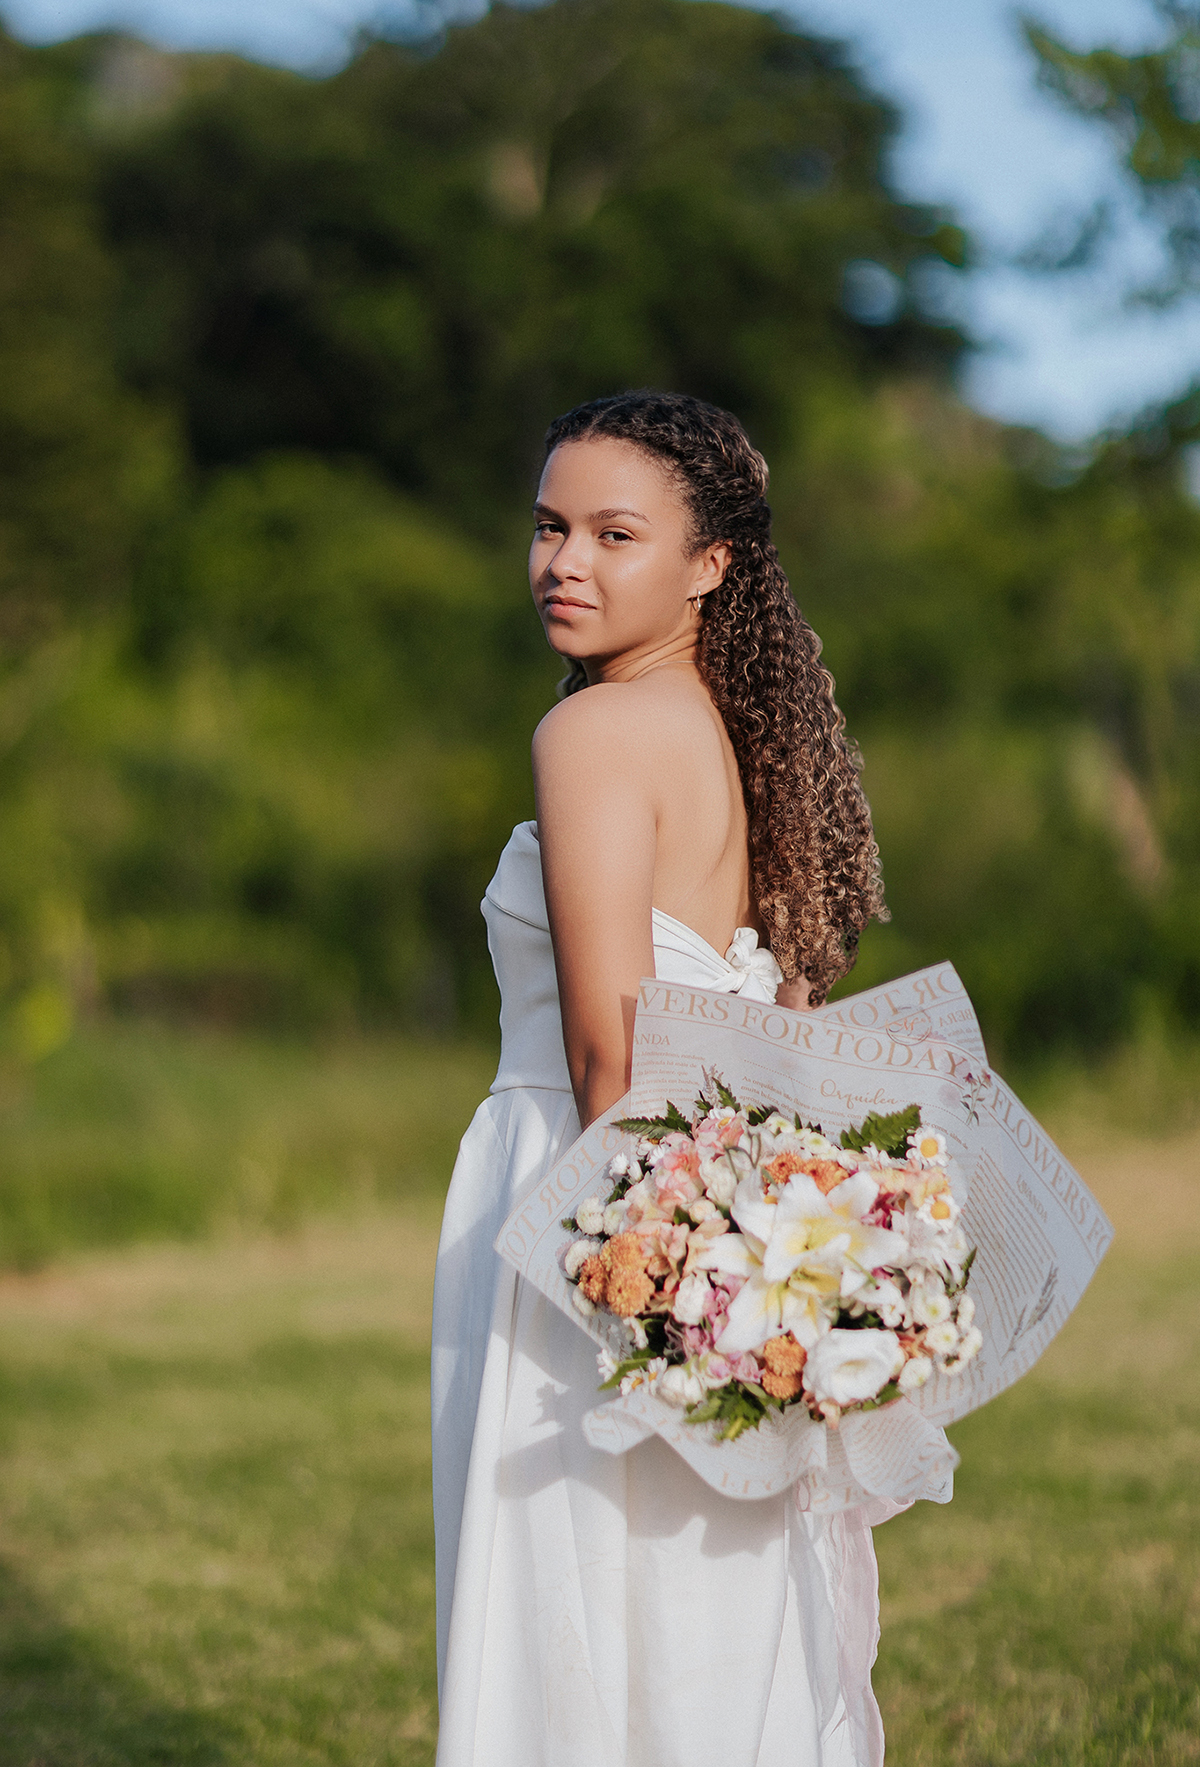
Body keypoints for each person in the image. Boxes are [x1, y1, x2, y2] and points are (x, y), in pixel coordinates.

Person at [431, 390, 890, 1767]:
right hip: (717, 1197)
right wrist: (747, 1277)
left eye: (614, 534)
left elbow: (607, 1048)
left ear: (710, 563)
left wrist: (647, 1287)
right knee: (696, 1593)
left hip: (597, 1188)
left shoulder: (591, 735)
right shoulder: (741, 737)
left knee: (573, 1583)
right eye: (549, 526)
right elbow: (780, 1003)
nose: (564, 561)